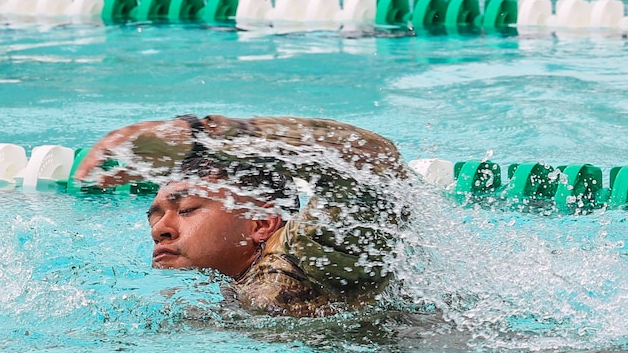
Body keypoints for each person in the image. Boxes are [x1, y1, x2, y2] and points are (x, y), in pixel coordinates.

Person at [73, 115, 412, 317]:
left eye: (187, 209)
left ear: (261, 223)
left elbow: (370, 160)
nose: (160, 230)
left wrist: (201, 137)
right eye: (154, 216)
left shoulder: (306, 256)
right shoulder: (230, 294)